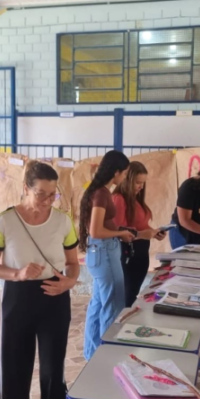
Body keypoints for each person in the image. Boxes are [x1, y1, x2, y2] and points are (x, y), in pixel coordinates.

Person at [0, 161, 81, 399]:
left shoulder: (63, 221)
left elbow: (73, 264)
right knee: (14, 366)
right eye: (41, 194)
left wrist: (69, 283)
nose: (48, 201)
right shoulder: (6, 220)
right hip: (18, 297)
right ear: (25, 188)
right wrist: (17, 274)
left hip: (54, 298)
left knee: (53, 369)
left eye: (53, 194)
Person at [79, 150, 134, 361]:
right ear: (117, 172)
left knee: (98, 304)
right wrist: (120, 233)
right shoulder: (101, 193)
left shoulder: (97, 190)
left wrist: (121, 230)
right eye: (124, 173)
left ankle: (92, 355)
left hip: (100, 252)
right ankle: (106, 357)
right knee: (112, 304)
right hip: (104, 252)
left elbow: (101, 225)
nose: (124, 178)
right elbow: (96, 230)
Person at [112, 161, 166, 306]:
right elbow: (118, 230)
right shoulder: (119, 198)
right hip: (128, 253)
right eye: (137, 182)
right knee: (127, 296)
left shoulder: (135, 199)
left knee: (133, 292)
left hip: (140, 253)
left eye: (143, 183)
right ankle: (120, 325)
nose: (141, 187)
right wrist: (143, 234)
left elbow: (139, 224)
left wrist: (154, 232)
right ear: (126, 179)